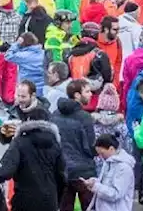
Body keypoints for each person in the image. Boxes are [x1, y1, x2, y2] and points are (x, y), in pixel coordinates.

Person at [0, 118, 67, 211]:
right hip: (50, 200)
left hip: (24, 200)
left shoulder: (19, 142)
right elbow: (62, 176)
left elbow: (6, 171)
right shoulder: (55, 144)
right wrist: (58, 199)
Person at [51, 79, 97, 211]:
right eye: (87, 91)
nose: (90, 95)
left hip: (61, 170)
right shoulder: (84, 117)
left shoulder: (54, 114)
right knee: (89, 207)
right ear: (77, 95)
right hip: (83, 171)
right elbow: (90, 147)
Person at [88, 134, 136, 211]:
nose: (100, 157)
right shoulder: (108, 163)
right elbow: (106, 184)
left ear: (111, 149)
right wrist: (94, 182)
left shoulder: (124, 168)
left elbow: (115, 194)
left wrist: (96, 186)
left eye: (102, 153)